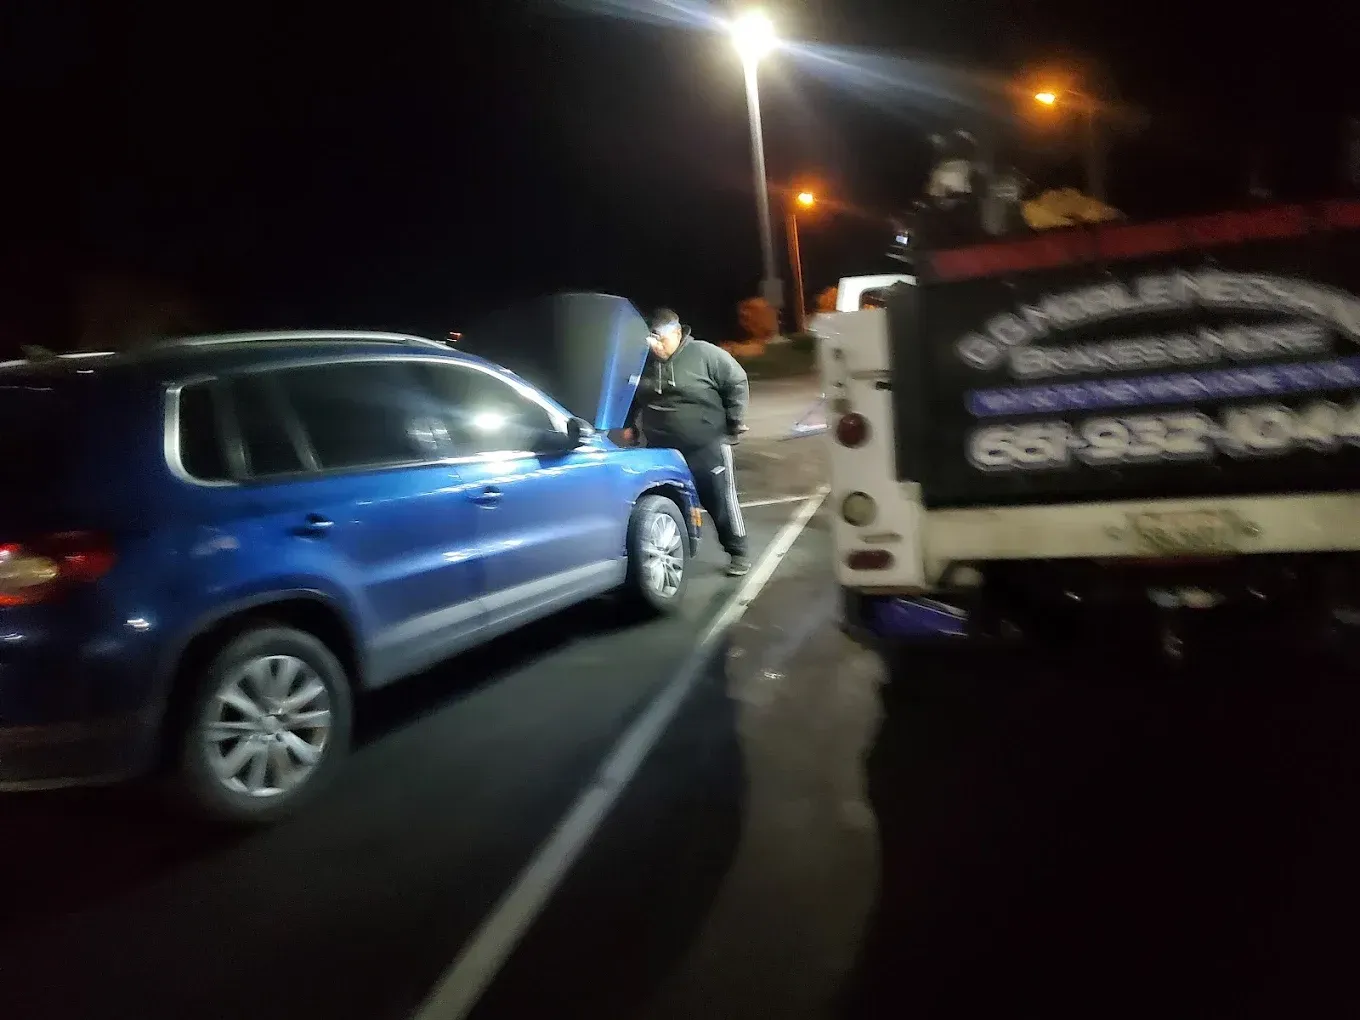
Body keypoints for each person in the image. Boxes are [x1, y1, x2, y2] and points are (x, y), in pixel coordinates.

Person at [624, 309, 751, 577]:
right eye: (651, 340)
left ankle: (738, 551)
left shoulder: (705, 355)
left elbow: (736, 381)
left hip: (706, 446)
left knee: (720, 500)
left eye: (662, 339)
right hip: (661, 450)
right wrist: (629, 426)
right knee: (661, 503)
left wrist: (735, 422)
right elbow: (632, 395)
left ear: (678, 333)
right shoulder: (643, 362)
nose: (657, 347)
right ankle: (669, 553)